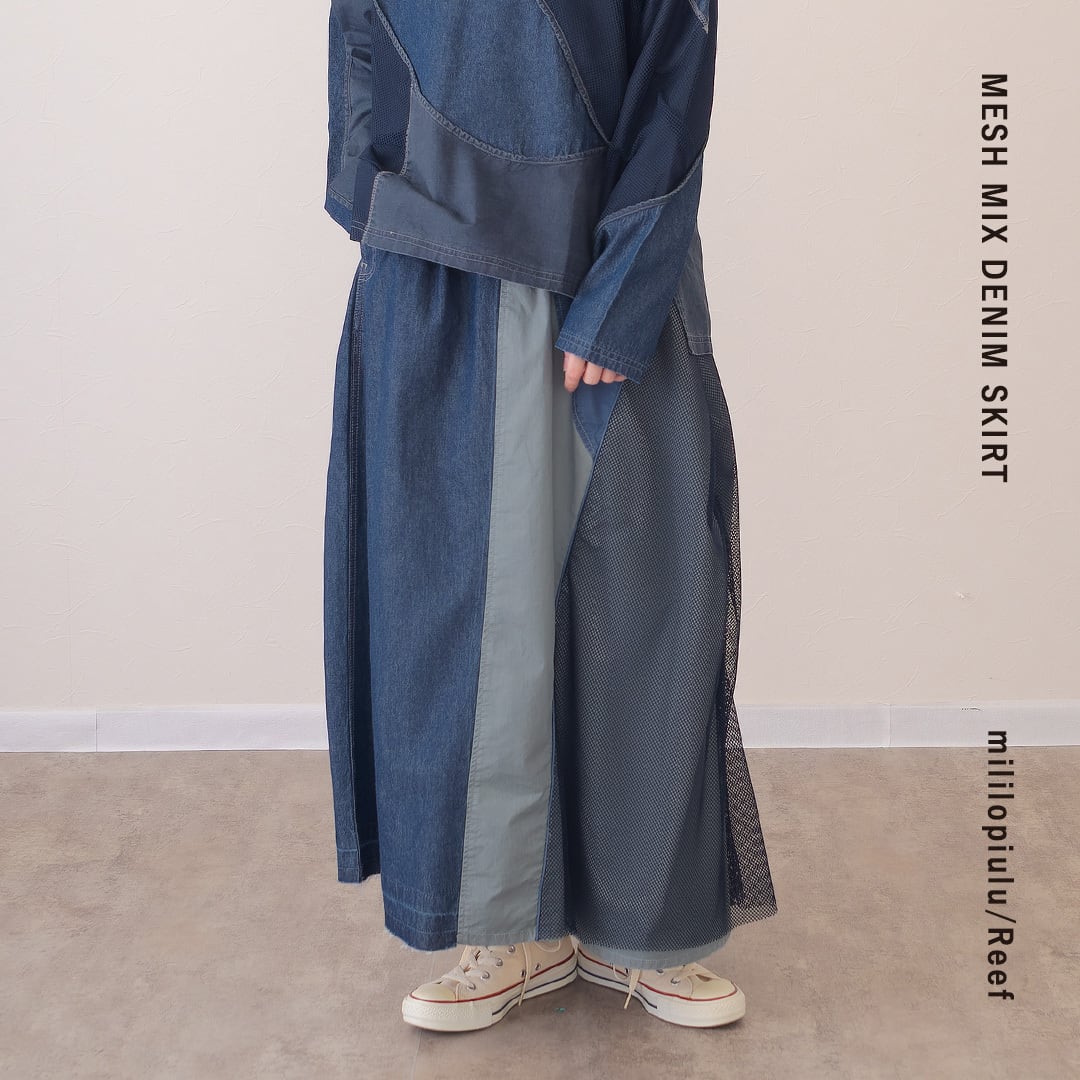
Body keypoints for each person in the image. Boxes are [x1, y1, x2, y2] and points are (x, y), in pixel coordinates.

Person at [320, 0, 778, 1032]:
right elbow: (358, 38)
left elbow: (677, 74)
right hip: (433, 274)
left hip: (604, 264)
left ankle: (644, 926)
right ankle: (505, 930)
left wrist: (626, 289)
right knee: (457, 621)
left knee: (647, 599)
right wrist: (378, 208)